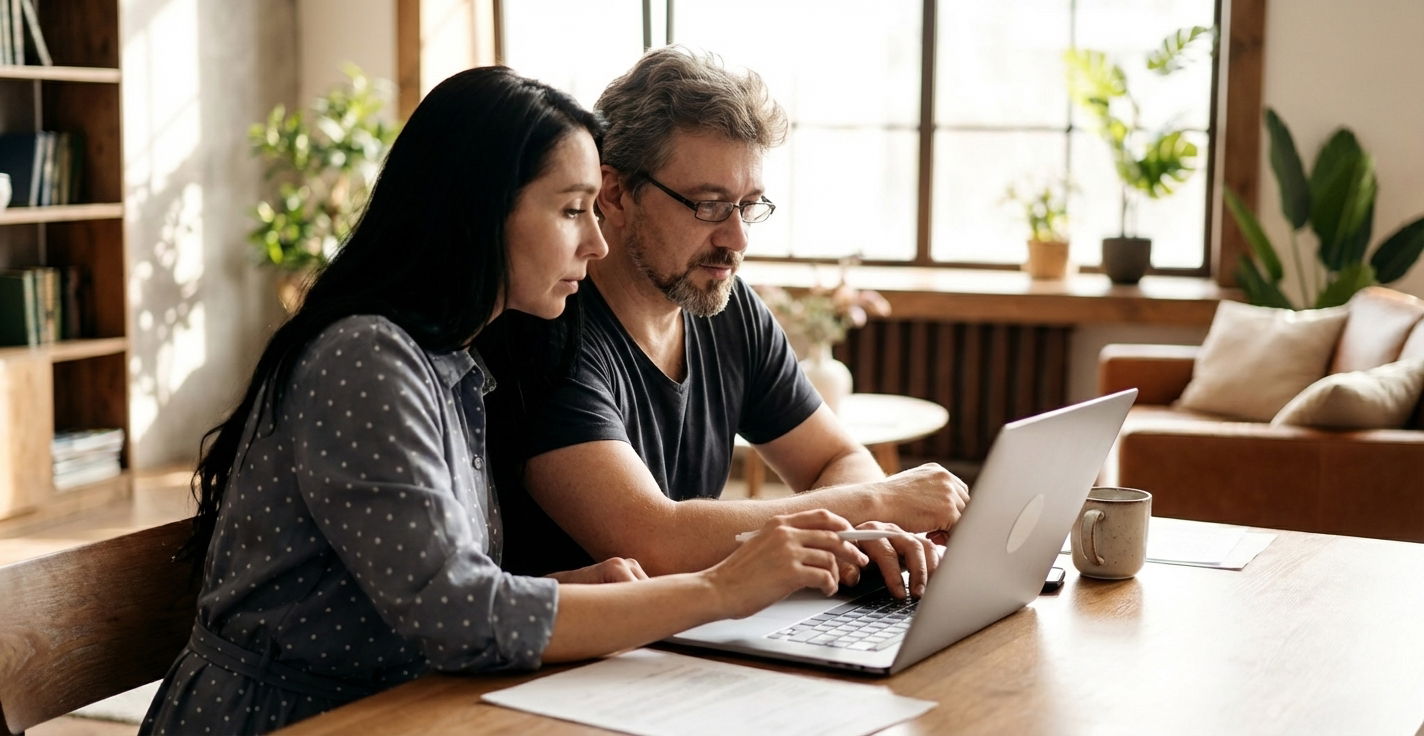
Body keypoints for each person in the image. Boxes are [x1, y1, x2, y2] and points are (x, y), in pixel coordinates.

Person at [139, 67, 870, 736]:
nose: (597, 244)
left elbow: (431, 585)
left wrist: (559, 587)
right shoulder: (366, 356)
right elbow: (456, 613)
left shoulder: (452, 361)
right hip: (297, 720)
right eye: (571, 211)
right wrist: (717, 588)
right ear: (482, 212)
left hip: (404, 701)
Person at [480, 47, 970, 599]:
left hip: (695, 633)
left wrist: (863, 527)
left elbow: (836, 458)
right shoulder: (545, 325)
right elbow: (652, 540)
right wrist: (875, 502)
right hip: (574, 661)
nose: (736, 239)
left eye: (749, 206)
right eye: (709, 205)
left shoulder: (726, 306)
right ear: (615, 194)